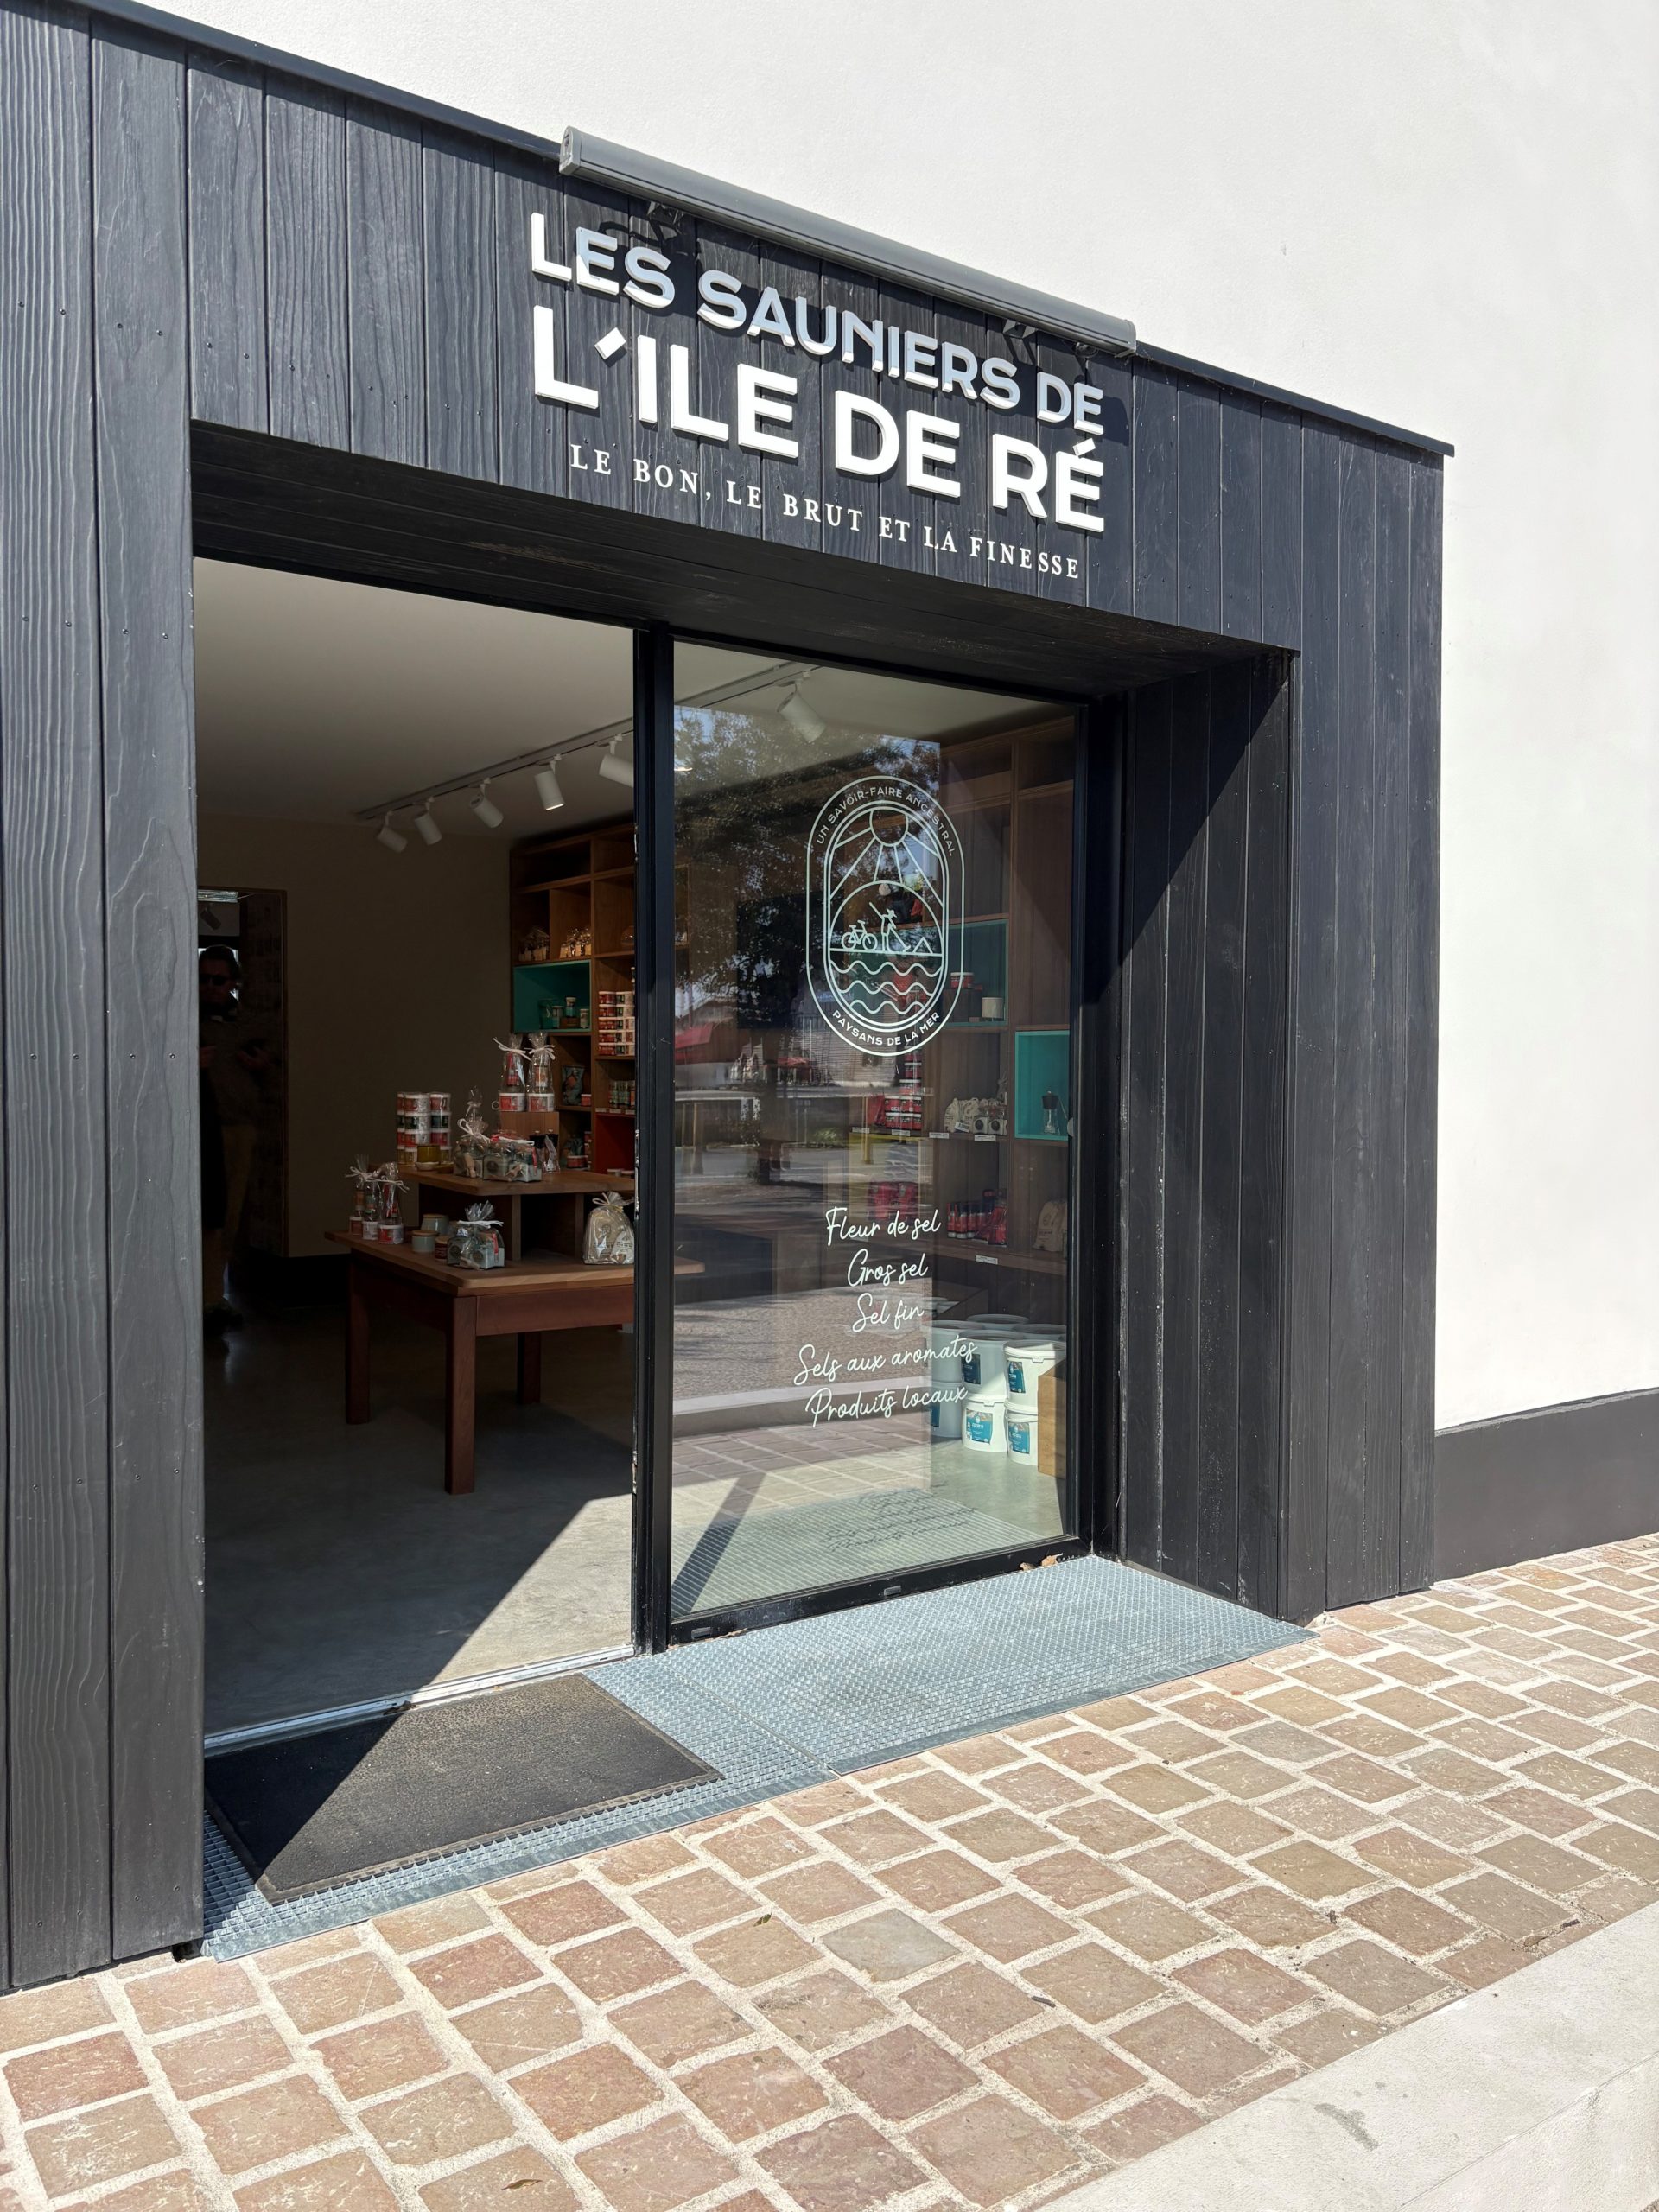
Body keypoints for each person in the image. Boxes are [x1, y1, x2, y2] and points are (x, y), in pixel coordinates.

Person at [199, 942, 273, 1328]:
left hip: (240, 1128)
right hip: (199, 1131)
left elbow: (270, 1062)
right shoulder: (183, 1020)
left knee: (228, 1216)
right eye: (204, 979)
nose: (210, 987)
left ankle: (213, 1296)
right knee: (203, 1217)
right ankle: (201, 1298)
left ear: (233, 982)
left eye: (218, 979)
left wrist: (262, 1065)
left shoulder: (245, 1023)